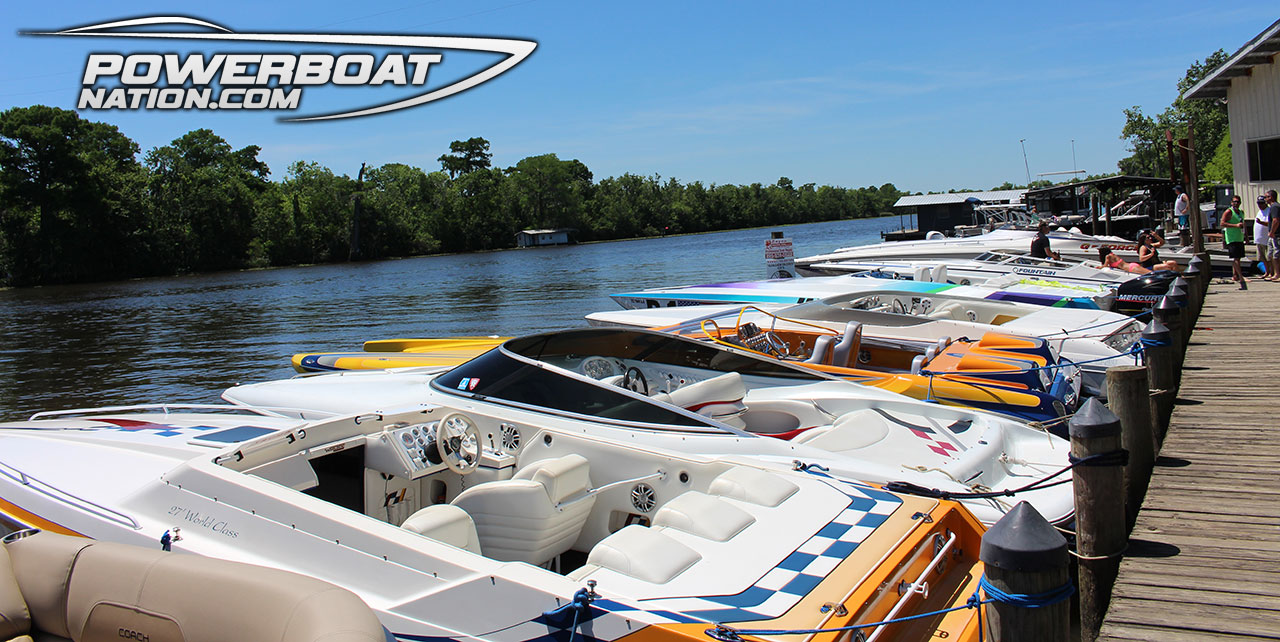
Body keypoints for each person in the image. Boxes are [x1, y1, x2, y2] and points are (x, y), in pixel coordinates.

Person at [1222, 195, 1247, 289]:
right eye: (1234, 202)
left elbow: (1243, 224)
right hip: (1232, 238)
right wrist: (1235, 225)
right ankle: (1241, 277)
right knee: (1236, 258)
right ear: (1231, 203)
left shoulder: (1241, 212)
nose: (1236, 203)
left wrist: (1246, 237)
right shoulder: (1229, 211)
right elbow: (1222, 223)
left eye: (1238, 202)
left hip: (1239, 237)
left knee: (1238, 258)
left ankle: (1235, 275)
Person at [1254, 195, 1271, 279]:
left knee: (1269, 257)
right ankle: (1267, 272)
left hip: (1266, 239)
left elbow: (1270, 223)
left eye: (1261, 203)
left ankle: (1272, 272)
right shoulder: (1259, 212)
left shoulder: (1269, 211)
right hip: (1259, 239)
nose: (1260, 205)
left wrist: (1261, 223)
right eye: (1258, 203)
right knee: (1262, 257)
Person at [1268, 190, 1280, 281]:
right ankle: (1274, 273)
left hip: (1276, 235)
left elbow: (1276, 220)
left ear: (1271, 197)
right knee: (1271, 254)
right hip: (1273, 235)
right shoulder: (1273, 206)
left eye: (1266, 197)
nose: (1265, 199)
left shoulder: (1275, 206)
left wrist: (1272, 232)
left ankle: (1277, 274)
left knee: (1277, 255)